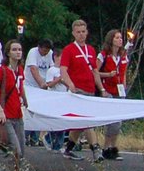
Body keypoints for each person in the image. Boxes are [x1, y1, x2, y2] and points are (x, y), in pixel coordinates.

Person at [59, 20, 100, 160]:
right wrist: (70, 84)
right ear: (73, 33)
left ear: (87, 32)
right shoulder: (69, 50)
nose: (81, 35)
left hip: (90, 90)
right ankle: (96, 149)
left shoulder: (91, 50)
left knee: (79, 123)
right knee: (86, 120)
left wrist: (101, 88)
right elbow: (63, 70)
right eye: (78, 32)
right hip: (78, 90)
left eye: (83, 31)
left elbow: (95, 71)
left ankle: (68, 148)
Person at [0, 40, 28, 159]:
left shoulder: (20, 70)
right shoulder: (2, 70)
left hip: (18, 114)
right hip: (6, 115)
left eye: (20, 50)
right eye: (14, 50)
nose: (18, 52)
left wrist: (25, 99)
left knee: (21, 151)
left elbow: (20, 87)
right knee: (15, 150)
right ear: (8, 53)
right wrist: (0, 110)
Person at [95, 29, 128, 161]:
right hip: (108, 90)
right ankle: (106, 147)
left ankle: (113, 147)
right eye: (117, 38)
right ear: (111, 40)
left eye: (121, 38)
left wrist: (124, 88)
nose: (120, 40)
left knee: (118, 121)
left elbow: (124, 74)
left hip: (119, 91)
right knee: (111, 121)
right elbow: (95, 72)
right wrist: (103, 86)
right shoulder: (103, 55)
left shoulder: (124, 56)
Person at [25, 37, 61, 149]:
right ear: (39, 47)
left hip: (44, 87)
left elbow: (52, 67)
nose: (45, 52)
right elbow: (33, 69)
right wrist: (41, 83)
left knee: (39, 111)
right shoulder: (33, 52)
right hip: (31, 85)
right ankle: (26, 136)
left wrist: (49, 83)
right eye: (44, 50)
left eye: (47, 50)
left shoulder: (50, 53)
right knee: (29, 110)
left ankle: (35, 138)